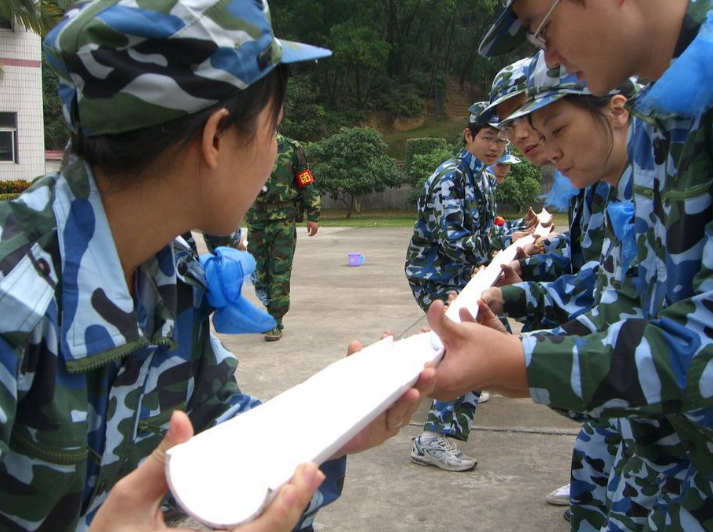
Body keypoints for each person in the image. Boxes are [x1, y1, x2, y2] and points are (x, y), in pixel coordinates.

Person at [0, 1, 436, 531]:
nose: (275, 155)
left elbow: (213, 426)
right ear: (215, 139)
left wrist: (327, 425)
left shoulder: (171, 272)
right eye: (275, 130)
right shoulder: (14, 298)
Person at [428, 0, 713, 529]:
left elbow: (699, 347)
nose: (551, 55)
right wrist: (519, 353)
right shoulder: (665, 127)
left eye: (545, 28)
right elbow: (628, 296)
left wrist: (519, 363)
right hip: (667, 460)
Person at [405, 102, 518, 472]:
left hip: (466, 274)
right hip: (434, 274)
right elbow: (453, 241)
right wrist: (502, 238)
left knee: (479, 342)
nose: (494, 147)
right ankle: (432, 439)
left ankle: (437, 384)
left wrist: (509, 235)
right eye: (487, 137)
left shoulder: (485, 177)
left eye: (501, 140)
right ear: (468, 136)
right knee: (469, 344)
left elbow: (488, 230)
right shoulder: (448, 178)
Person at [247, 133, 320, 342]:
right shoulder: (247, 145)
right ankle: (268, 312)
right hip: (256, 219)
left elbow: (306, 180)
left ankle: (275, 320)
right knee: (257, 270)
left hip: (283, 220)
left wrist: (313, 214)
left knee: (279, 271)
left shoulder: (291, 148)